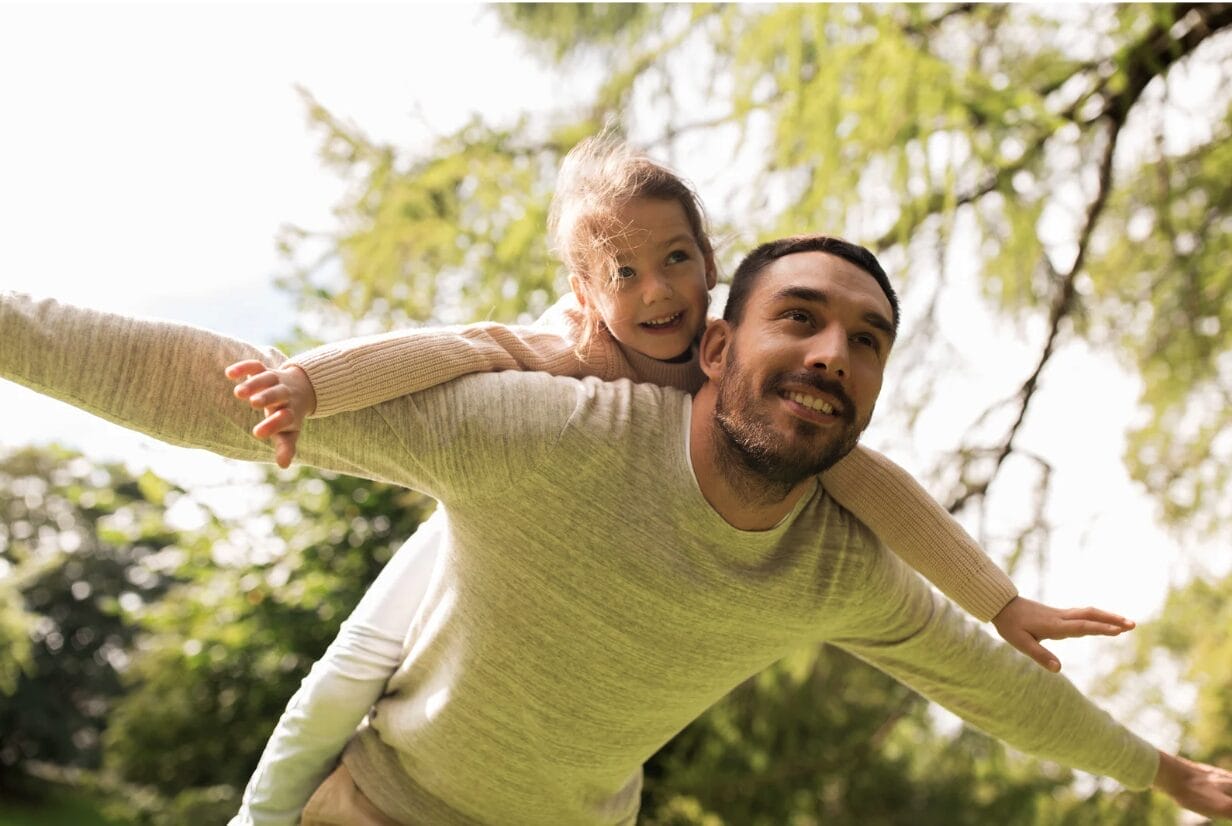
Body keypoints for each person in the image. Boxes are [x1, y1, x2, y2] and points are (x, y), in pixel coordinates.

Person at [2, 237, 1230, 824]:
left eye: (863, 341)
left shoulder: (835, 570)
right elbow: (214, 388)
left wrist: (1161, 772)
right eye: (797, 317)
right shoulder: (549, 433)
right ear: (711, 349)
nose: (829, 353)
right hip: (383, 806)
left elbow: (990, 683)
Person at [222, 137, 1133, 822]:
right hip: (492, 522)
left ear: (710, 264)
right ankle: (258, 815)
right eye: (626, 273)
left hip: (579, 696)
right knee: (350, 670)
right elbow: (448, 349)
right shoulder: (566, 350)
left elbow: (877, 487)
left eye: (678, 261)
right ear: (585, 292)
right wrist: (309, 383)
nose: (657, 291)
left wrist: (999, 602)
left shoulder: (732, 372)